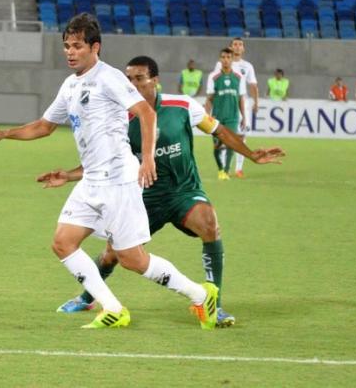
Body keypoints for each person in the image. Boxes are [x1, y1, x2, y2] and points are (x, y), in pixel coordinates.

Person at [0, 13, 219, 330]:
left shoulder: (110, 78)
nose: (69, 52)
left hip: (119, 180)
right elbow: (44, 126)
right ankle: (113, 308)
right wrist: (5, 134)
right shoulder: (70, 85)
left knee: (132, 260)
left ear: (95, 47)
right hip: (92, 181)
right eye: (66, 45)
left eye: (77, 46)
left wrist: (147, 158)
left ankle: (201, 296)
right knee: (63, 242)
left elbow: (146, 114)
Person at [45, 56, 284, 328]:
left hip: (184, 192)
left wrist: (251, 155)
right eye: (129, 79)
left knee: (209, 224)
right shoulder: (121, 116)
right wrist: (68, 175)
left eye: (139, 78)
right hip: (144, 196)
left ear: (155, 80)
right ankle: (88, 296)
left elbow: (218, 131)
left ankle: (212, 304)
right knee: (115, 253)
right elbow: (104, 159)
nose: (133, 84)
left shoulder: (182, 105)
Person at [212, 37, 259, 178]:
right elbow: (215, 83)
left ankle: (238, 168)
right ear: (230, 47)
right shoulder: (220, 64)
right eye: (235, 44)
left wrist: (257, 102)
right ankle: (224, 168)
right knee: (223, 135)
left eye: (240, 45)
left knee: (241, 137)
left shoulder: (248, 66)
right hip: (225, 103)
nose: (238, 47)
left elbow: (253, 85)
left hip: (242, 103)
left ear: (243, 48)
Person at [206, 48, 246, 181]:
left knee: (231, 144)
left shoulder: (239, 77)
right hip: (217, 117)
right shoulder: (213, 77)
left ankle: (226, 171)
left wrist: (244, 117)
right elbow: (209, 98)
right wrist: (206, 116)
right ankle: (220, 169)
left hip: (232, 118)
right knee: (217, 145)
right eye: (223, 57)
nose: (226, 60)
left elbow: (241, 98)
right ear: (220, 59)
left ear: (232, 59)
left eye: (228, 57)